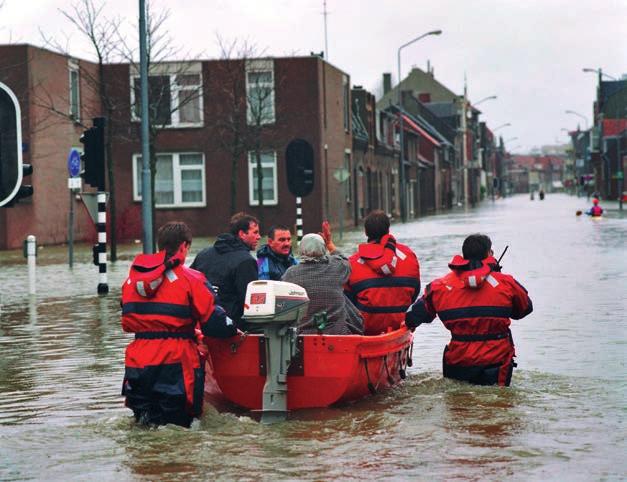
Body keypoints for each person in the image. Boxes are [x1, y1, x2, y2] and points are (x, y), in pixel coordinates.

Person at [121, 221, 237, 428]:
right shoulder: (191, 278)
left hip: (137, 360)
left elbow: (139, 319)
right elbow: (213, 321)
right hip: (176, 360)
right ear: (184, 246)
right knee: (179, 424)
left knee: (143, 424)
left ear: (160, 246)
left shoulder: (132, 281)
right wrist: (233, 329)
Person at [405, 234, 533, 387]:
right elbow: (525, 309)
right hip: (496, 364)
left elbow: (413, 317)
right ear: (489, 254)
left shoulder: (440, 286)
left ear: (464, 256)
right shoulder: (506, 283)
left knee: (460, 409)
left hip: (458, 362)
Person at [344, 210, 421, 335]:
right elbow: (414, 292)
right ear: (388, 230)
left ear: (366, 232)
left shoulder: (352, 263)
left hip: (365, 330)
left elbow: (348, 301)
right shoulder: (409, 256)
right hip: (399, 327)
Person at [282, 223, 364, 335]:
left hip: (302, 336)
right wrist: (330, 243)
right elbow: (345, 260)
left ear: (301, 251)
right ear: (323, 249)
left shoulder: (290, 274)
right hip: (338, 333)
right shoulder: (337, 268)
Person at [190, 212, 260, 329]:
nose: (259, 237)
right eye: (255, 232)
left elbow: (190, 284)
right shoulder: (246, 261)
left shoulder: (203, 254)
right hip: (232, 329)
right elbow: (249, 303)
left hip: (201, 324)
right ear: (242, 234)